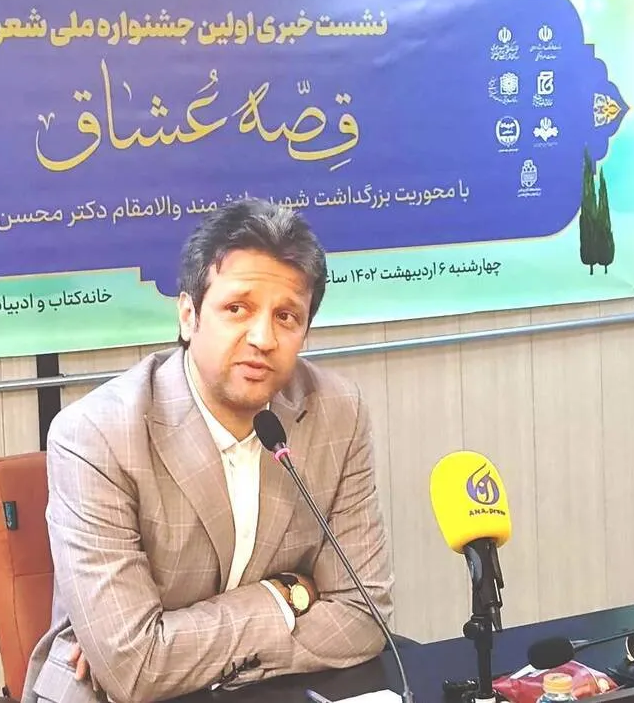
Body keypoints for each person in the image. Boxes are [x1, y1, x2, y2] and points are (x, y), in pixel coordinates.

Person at [22, 199, 395, 703]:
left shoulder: (337, 413)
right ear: (188, 315)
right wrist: (289, 593)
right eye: (237, 309)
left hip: (275, 688)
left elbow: (363, 614)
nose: (262, 338)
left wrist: (179, 644)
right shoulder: (96, 434)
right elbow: (133, 667)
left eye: (286, 316)